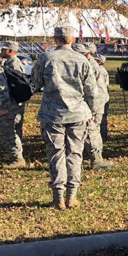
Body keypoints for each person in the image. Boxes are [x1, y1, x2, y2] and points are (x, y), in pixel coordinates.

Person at [32, 26, 98, 210]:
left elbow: (36, 82)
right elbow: (92, 90)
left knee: (56, 154)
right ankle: (72, 196)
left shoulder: (46, 58)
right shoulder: (82, 59)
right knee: (75, 154)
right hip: (78, 113)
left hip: (52, 114)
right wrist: (91, 112)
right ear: (73, 39)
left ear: (56, 39)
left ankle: (58, 197)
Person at [74, 42, 112, 170]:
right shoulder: (85, 65)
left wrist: (93, 108)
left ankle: (96, 158)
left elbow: (99, 92)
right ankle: (91, 155)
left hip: (94, 105)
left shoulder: (94, 68)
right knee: (91, 131)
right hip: (88, 104)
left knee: (93, 131)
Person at [1, 41, 27, 140]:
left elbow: (19, 83)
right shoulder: (8, 63)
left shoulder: (14, 64)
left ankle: (16, 148)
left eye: (4, 49)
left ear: (10, 51)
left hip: (16, 99)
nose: (2, 51)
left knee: (15, 125)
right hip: (13, 98)